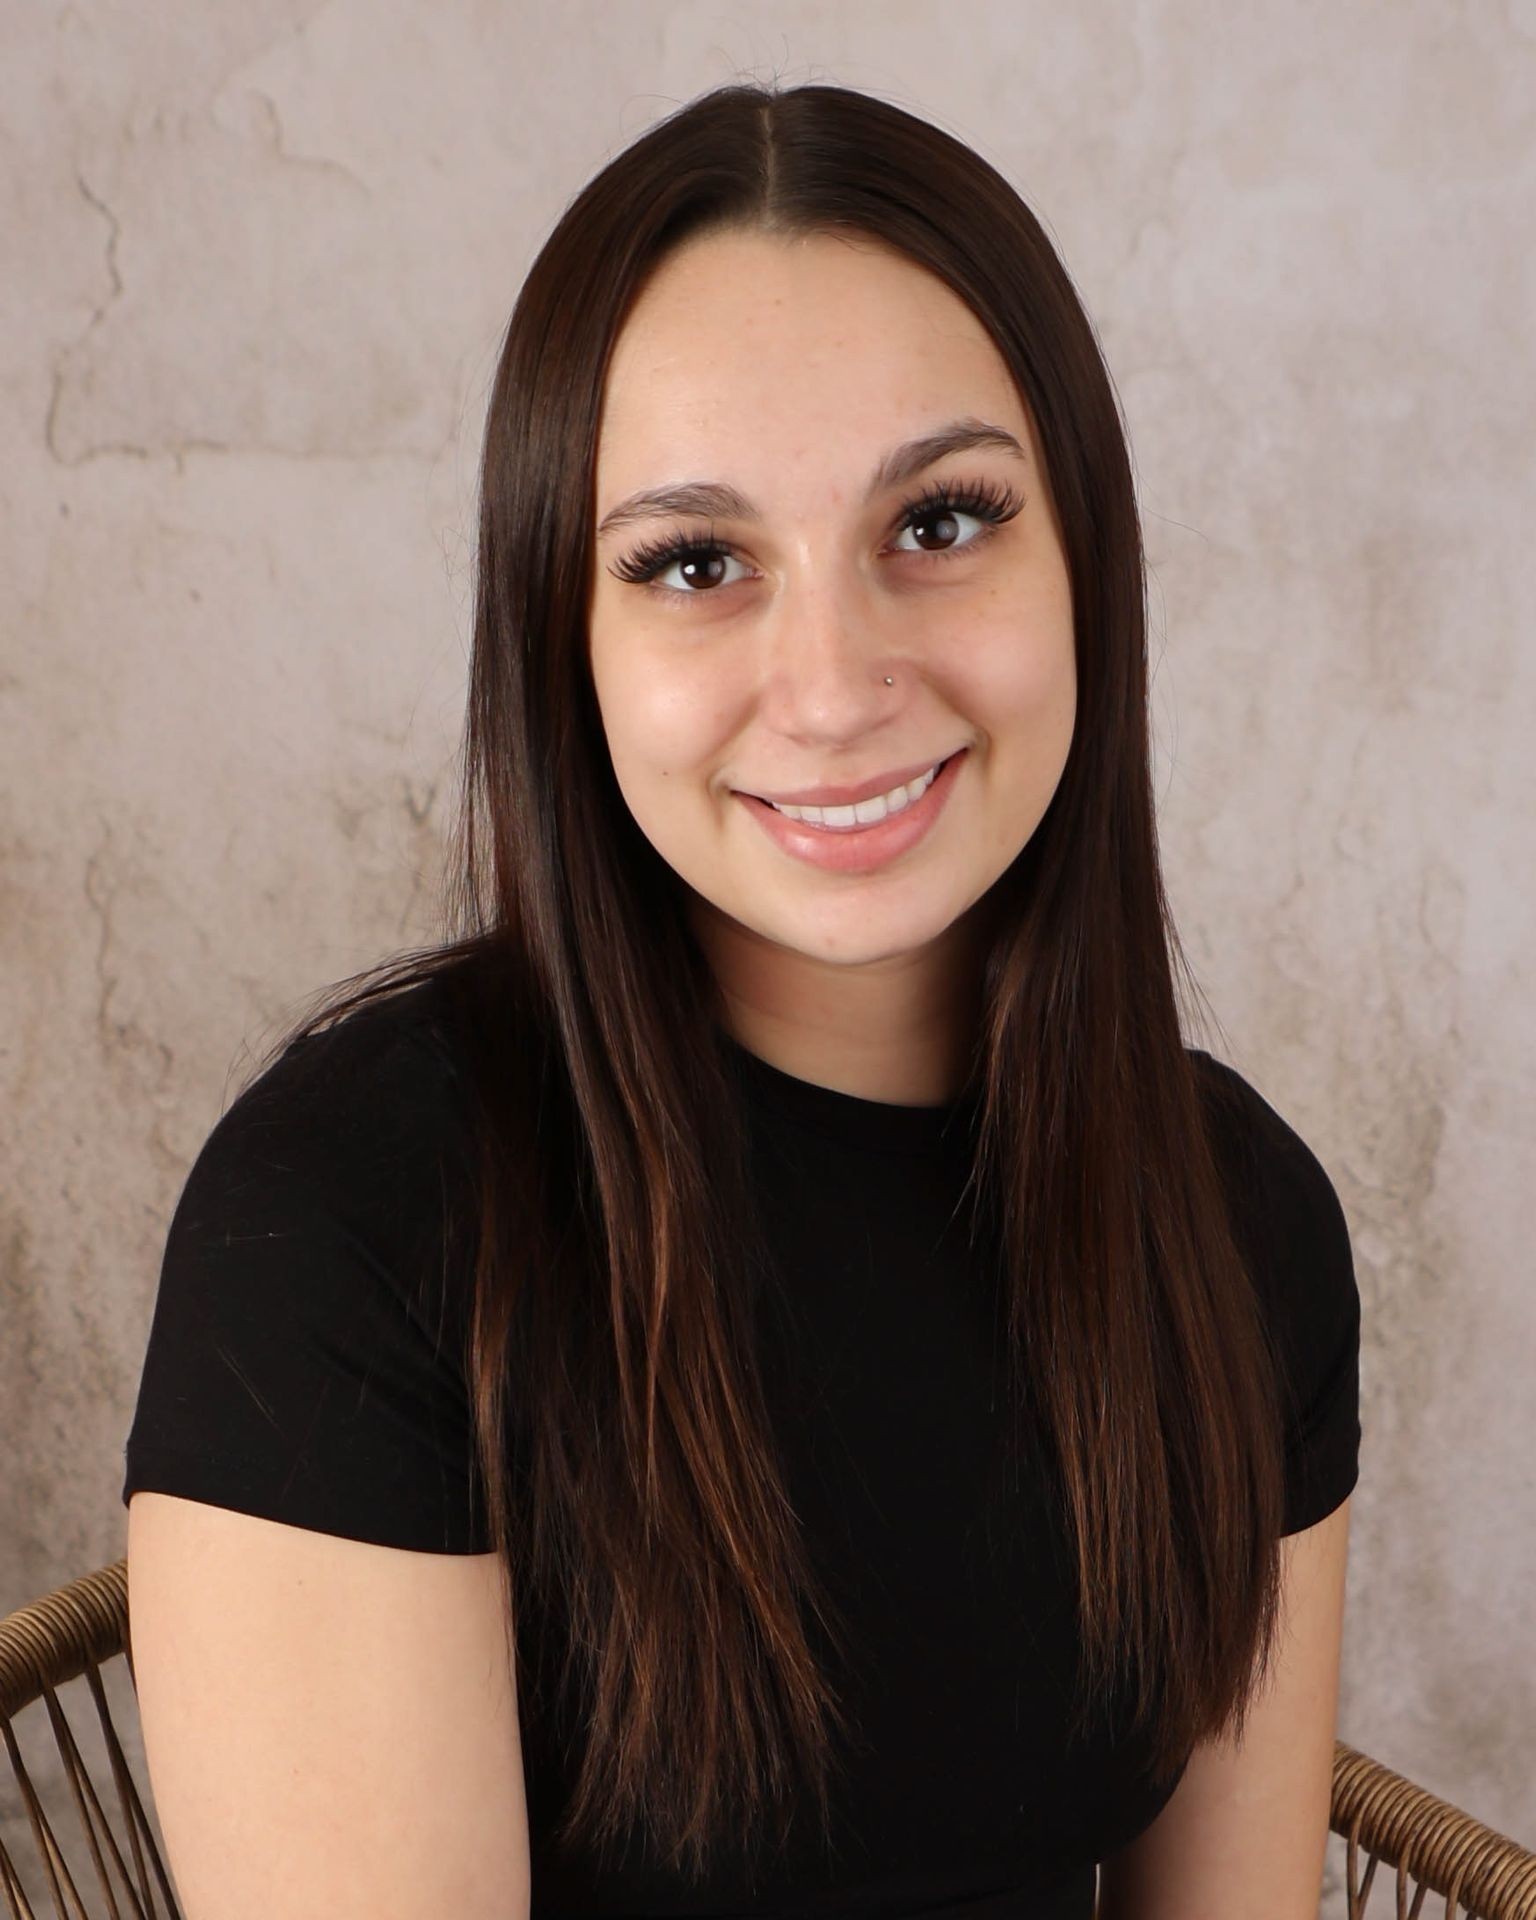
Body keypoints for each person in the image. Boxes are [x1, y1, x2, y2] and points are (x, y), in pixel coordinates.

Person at [122, 79, 1361, 1920]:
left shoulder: (1242, 1216)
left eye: (939, 521)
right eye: (696, 564)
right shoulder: (353, 1222)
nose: (837, 682)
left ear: (1084, 557)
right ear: (570, 643)